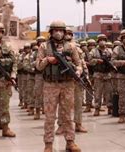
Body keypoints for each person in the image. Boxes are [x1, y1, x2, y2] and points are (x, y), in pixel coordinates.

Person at [36, 20, 82, 152]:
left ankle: (70, 142)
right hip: (51, 84)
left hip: (68, 84)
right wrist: (47, 60)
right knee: (50, 116)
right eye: (55, 30)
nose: (58, 33)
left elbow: (78, 64)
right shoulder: (44, 47)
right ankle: (48, 144)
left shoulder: (71, 47)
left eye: (61, 30)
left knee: (67, 114)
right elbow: (38, 66)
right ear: (51, 32)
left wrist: (78, 72)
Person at [111, 29, 125, 123]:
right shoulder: (117, 49)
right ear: (121, 38)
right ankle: (122, 114)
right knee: (122, 96)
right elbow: (113, 62)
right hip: (122, 75)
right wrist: (123, 63)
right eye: (124, 37)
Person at [90, 34, 114, 116]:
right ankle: (97, 108)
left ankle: (110, 108)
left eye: (103, 39)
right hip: (98, 74)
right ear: (98, 41)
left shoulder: (110, 51)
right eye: (100, 40)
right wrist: (97, 61)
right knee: (98, 92)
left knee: (109, 92)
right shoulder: (94, 51)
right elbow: (90, 61)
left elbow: (114, 60)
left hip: (107, 74)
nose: (102, 41)